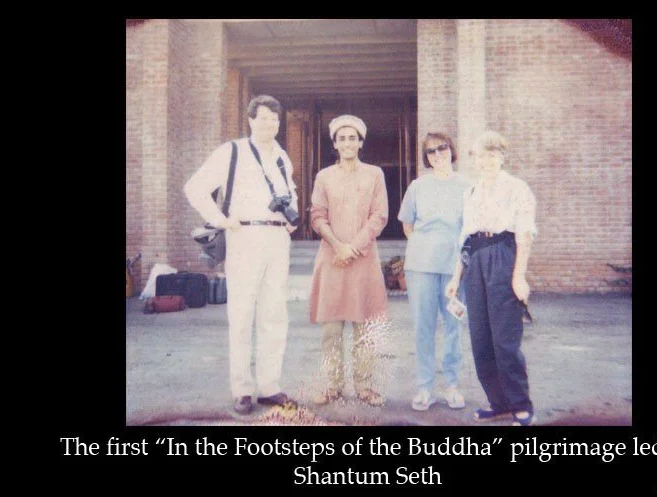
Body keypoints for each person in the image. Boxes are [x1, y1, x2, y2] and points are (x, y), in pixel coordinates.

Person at [184, 95, 299, 415]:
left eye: (275, 119)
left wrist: (293, 217)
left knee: (274, 314)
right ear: (250, 120)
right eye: (264, 118)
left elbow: (292, 191)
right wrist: (221, 220)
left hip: (277, 239)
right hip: (243, 236)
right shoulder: (231, 151)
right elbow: (194, 187)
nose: (270, 124)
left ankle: (270, 386)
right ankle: (242, 389)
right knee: (242, 314)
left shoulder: (282, 157)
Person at [444, 130, 537, 426]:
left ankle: (521, 404)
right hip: (476, 262)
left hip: (503, 255)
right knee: (481, 338)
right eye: (482, 155)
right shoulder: (470, 192)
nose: (487, 160)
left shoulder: (517, 188)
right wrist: (456, 277)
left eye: (493, 154)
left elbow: (524, 233)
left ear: (502, 157)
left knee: (505, 339)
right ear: (475, 159)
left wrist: (518, 276)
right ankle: (498, 404)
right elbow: (466, 238)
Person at [308, 114, 389, 407]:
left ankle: (365, 386)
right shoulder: (324, 177)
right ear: (335, 143)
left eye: (352, 138)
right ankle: (332, 386)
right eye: (341, 138)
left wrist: (352, 247)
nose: (347, 143)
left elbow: (379, 216)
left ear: (361, 142)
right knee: (331, 330)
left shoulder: (375, 174)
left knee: (364, 329)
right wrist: (338, 245)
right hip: (332, 259)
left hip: (363, 260)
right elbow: (317, 216)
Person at [397, 132, 472, 411]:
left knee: (454, 325)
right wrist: (424, 247)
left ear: (452, 150)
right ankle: (425, 387)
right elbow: (407, 224)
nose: (437, 154)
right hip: (421, 268)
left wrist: (457, 261)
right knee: (423, 328)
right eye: (430, 151)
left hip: (455, 272)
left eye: (442, 148)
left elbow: (471, 229)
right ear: (426, 158)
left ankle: (452, 386)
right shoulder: (418, 186)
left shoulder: (468, 186)